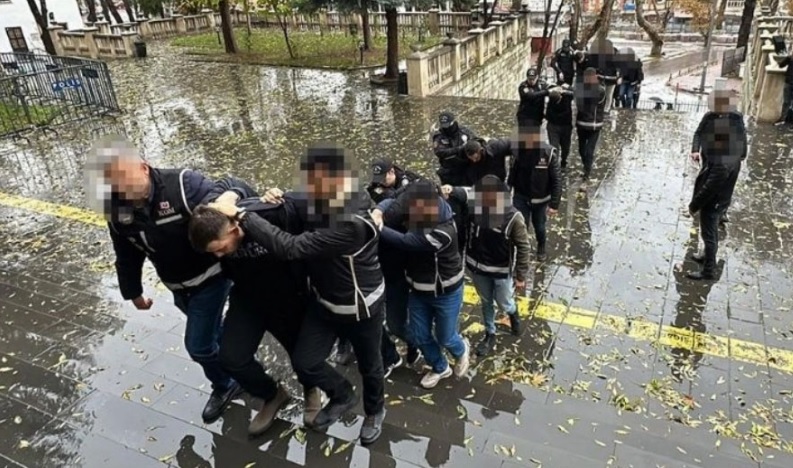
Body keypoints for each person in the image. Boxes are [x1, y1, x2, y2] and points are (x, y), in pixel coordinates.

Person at [209, 143, 387, 445]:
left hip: (360, 307)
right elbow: (290, 202)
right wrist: (271, 196)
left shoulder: (352, 224)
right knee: (306, 361)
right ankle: (343, 394)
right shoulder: (319, 199)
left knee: (371, 365)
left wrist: (241, 214)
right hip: (324, 302)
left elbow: (291, 248)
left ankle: (374, 411)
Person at [85, 136, 246, 424]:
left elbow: (223, 202)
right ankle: (241, 365)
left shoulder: (183, 186)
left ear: (144, 168)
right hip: (178, 285)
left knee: (198, 345)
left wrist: (232, 198)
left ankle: (226, 384)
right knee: (213, 334)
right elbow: (126, 252)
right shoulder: (118, 211)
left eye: (125, 177)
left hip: (211, 278)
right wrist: (132, 291)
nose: (121, 186)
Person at [187, 196, 322, 436]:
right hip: (247, 298)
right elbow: (227, 184)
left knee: (301, 354)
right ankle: (272, 394)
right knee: (231, 358)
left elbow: (306, 219)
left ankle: (311, 389)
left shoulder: (268, 216)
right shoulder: (213, 222)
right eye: (214, 253)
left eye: (221, 248)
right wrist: (230, 193)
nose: (219, 256)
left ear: (234, 228)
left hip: (287, 298)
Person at [372, 181, 470, 390]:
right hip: (419, 289)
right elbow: (392, 202)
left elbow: (408, 242)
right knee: (419, 334)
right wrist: (379, 211)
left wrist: (376, 226)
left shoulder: (443, 230)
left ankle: (461, 350)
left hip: (446, 291)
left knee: (446, 336)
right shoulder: (421, 204)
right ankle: (440, 366)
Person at [460, 175, 530, 356]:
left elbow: (523, 246)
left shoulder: (513, 217)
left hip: (500, 271)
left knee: (504, 302)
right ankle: (490, 333)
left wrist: (520, 275)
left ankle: (512, 314)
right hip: (478, 267)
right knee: (485, 302)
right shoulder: (474, 209)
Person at [688, 90, 747, 280]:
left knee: (709, 229)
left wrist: (694, 205)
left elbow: (712, 185)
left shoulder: (733, 124)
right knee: (709, 228)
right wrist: (696, 150)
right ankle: (706, 255)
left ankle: (708, 270)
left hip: (716, 193)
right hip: (716, 171)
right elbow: (698, 133)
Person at [507, 126, 562, 262]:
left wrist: (554, 204)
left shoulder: (549, 154)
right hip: (521, 197)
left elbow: (556, 181)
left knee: (540, 227)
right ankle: (522, 255)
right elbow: (512, 174)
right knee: (520, 227)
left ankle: (541, 246)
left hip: (540, 200)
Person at [575, 67, 606, 190]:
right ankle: (586, 167)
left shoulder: (600, 90)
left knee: (589, 151)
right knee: (581, 150)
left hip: (594, 125)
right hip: (582, 124)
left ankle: (586, 176)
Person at [432, 112, 477, 186]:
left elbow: (475, 142)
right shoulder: (439, 136)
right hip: (450, 171)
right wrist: (459, 149)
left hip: (466, 168)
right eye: (444, 126)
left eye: (448, 125)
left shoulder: (464, 131)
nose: (446, 128)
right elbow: (440, 152)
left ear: (453, 122)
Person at [546, 81, 575, 169]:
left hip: (565, 127)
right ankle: (555, 166)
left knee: (566, 147)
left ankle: (564, 160)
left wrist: (566, 88)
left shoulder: (566, 96)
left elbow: (575, 93)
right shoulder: (552, 100)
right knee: (554, 147)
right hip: (554, 126)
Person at [772, 52, 793, 125]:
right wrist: (787, 58)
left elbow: (780, 65)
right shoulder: (790, 58)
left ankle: (783, 118)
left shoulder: (790, 58)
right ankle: (784, 118)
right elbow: (781, 65)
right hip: (789, 82)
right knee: (786, 102)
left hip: (788, 82)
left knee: (786, 102)